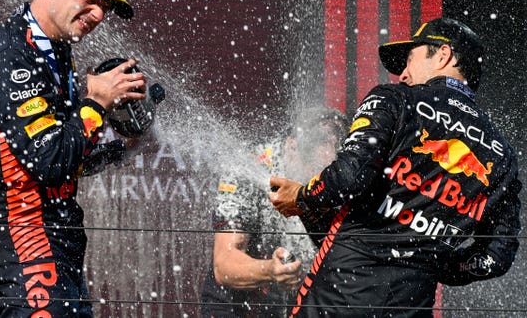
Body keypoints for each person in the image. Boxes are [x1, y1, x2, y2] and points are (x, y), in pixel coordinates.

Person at [269, 17, 522, 317]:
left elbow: (349, 176)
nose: (402, 75)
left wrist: (302, 196)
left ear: (443, 55)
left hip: (336, 302)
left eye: (410, 59)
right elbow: (496, 256)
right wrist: (438, 263)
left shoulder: (394, 99)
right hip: (411, 307)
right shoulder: (502, 154)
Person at [0, 0, 146, 317]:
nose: (98, 14)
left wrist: (123, 147)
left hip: (59, 247)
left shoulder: (57, 51)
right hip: (27, 244)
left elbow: (66, 159)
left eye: (106, 7)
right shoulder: (13, 51)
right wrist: (95, 104)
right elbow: (46, 160)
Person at [201, 107, 349, 317]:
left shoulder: (344, 173)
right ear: (292, 146)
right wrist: (270, 270)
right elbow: (224, 264)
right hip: (238, 307)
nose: (318, 184)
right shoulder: (247, 170)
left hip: (299, 302)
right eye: (316, 172)